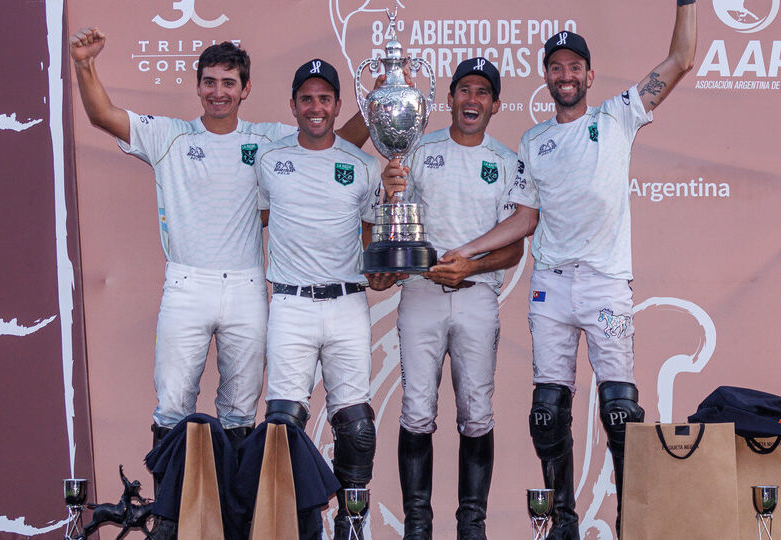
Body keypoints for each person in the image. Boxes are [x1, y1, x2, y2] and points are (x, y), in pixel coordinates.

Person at [444, 3, 697, 538]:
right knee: (547, 412)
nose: (565, 75)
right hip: (552, 288)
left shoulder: (618, 115)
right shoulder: (534, 143)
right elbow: (524, 219)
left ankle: (634, 519)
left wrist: (686, 5)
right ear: (547, 77)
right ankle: (562, 523)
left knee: (621, 411)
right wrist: (467, 250)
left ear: (589, 74)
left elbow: (681, 58)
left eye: (573, 66)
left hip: (606, 285)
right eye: (555, 67)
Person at [69, 29, 372, 459]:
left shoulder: (269, 141)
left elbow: (331, 144)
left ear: (245, 89)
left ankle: (233, 516)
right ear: (197, 86)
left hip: (248, 286)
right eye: (209, 82)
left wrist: (380, 104)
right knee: (173, 406)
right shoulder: (169, 136)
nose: (218, 92)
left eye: (229, 83)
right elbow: (103, 115)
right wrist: (84, 64)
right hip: (187, 284)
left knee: (239, 411)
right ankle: (169, 520)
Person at [254, 58, 398, 540]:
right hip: (290, 305)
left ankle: (351, 524)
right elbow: (252, 221)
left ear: (338, 106)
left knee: (355, 424)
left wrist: (382, 272)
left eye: (325, 98)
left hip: (346, 304)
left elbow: (373, 237)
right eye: (306, 98)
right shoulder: (270, 160)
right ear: (293, 105)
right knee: (282, 425)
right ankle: (299, 522)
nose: (316, 107)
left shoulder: (363, 165)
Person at [380, 58, 522, 539]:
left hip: (477, 297)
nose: (472, 100)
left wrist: (471, 266)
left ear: (496, 104)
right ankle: (418, 525)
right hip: (420, 292)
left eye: (483, 92)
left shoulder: (505, 162)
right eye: (465, 89)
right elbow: (395, 221)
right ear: (450, 98)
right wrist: (389, 194)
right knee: (417, 412)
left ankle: (471, 525)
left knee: (476, 413)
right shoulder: (418, 151)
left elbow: (514, 244)